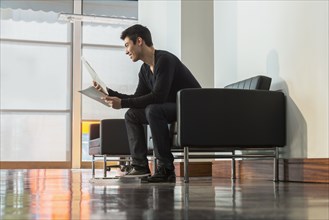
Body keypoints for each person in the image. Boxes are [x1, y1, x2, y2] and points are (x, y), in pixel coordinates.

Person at [94, 24, 201, 183]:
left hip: (190, 108)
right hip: (171, 108)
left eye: (126, 45)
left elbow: (158, 96)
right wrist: (109, 92)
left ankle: (166, 169)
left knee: (153, 110)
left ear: (139, 41)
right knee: (132, 114)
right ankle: (140, 166)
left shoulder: (165, 60)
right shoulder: (144, 70)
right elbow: (138, 98)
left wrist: (121, 102)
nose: (126, 51)